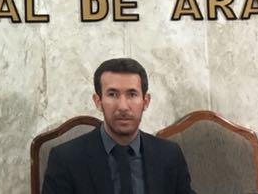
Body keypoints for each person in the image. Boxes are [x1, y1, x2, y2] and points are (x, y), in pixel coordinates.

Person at [42, 58, 193, 194]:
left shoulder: (169, 155)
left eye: (132, 94)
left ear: (145, 101)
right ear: (98, 101)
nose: (123, 106)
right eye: (112, 94)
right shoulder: (66, 159)